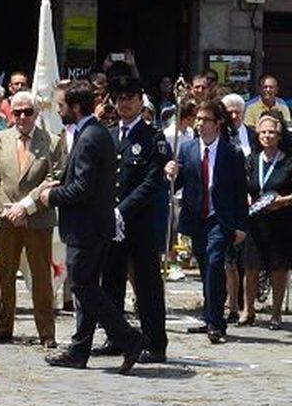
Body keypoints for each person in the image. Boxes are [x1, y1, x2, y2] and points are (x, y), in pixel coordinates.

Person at [36, 81, 146, 371]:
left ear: (75, 107)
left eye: (61, 106)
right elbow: (88, 182)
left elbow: (83, 189)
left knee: (84, 288)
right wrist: (62, 184)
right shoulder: (94, 133)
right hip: (94, 225)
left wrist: (51, 196)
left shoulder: (89, 137)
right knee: (87, 288)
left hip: (86, 228)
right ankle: (79, 349)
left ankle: (129, 337)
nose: (58, 111)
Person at [98, 77, 171, 363]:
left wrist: (122, 210)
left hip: (139, 223)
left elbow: (152, 182)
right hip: (111, 224)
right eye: (119, 97)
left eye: (130, 97)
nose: (124, 103)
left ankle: (155, 343)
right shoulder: (109, 134)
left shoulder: (154, 137)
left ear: (141, 100)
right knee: (111, 282)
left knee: (147, 285)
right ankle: (117, 338)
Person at [0, 92, 63, 346]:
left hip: (37, 220)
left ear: (37, 113)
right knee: (3, 274)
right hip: (6, 219)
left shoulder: (52, 142)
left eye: (27, 112)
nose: (21, 117)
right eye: (16, 112)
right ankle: (3, 326)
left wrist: (25, 208)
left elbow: (53, 179)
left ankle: (46, 332)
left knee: (41, 277)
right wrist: (9, 209)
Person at [170, 99, 249, 342]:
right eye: (199, 119)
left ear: (218, 124)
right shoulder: (188, 149)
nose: (200, 124)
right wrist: (171, 173)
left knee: (216, 262)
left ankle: (216, 322)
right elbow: (178, 184)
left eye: (206, 120)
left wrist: (241, 226)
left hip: (220, 217)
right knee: (206, 268)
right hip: (196, 217)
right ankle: (210, 316)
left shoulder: (231, 152)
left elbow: (239, 190)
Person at [242, 113, 292, 328]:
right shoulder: (252, 160)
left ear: (279, 136)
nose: (267, 136)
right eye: (263, 132)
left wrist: (284, 200)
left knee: (278, 268)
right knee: (251, 267)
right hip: (255, 221)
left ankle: (276, 313)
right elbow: (245, 186)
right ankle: (248, 310)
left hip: (280, 221)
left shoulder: (288, 162)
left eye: (271, 132)